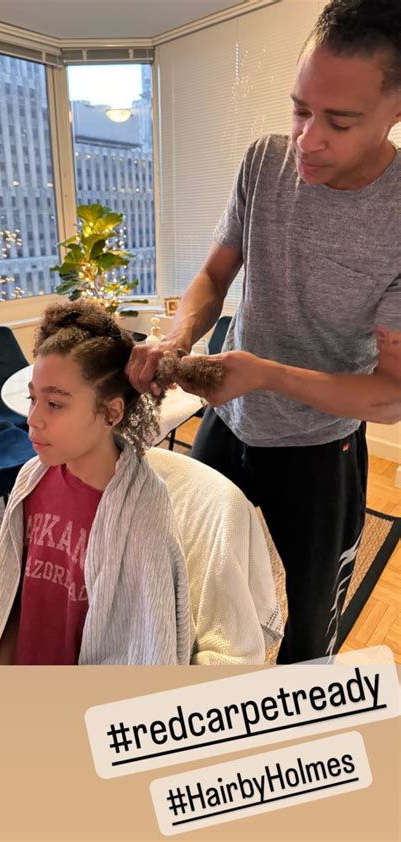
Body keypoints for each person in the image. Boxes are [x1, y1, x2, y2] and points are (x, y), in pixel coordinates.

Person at [126, 0, 401, 664]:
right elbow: (215, 274)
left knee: (310, 620)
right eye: (300, 109)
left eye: (338, 121)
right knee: (181, 569)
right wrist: (176, 338)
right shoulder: (263, 163)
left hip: (318, 447)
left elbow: (391, 394)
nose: (308, 139)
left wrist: (269, 374)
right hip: (229, 420)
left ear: (396, 111)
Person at [0, 300, 281, 665]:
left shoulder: (143, 509)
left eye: (55, 404)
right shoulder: (31, 480)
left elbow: (145, 639)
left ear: (112, 412)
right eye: (34, 399)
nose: (34, 420)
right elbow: (11, 597)